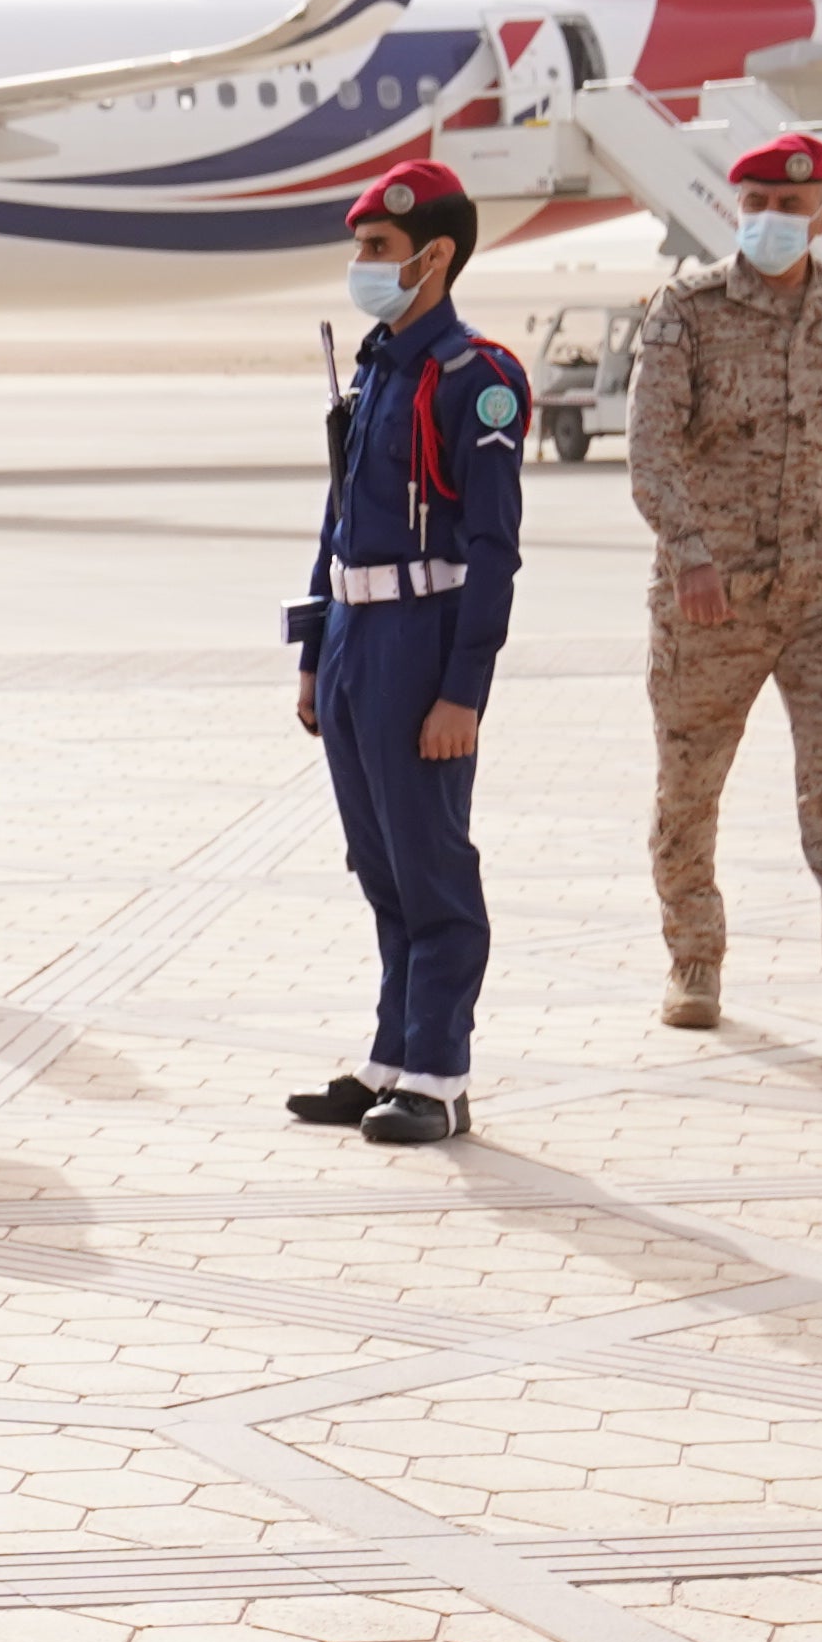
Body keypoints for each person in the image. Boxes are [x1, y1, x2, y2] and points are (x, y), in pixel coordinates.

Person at [633, 134, 822, 1046]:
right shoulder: (683, 311)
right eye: (758, 201)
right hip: (710, 599)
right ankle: (694, 955)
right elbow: (649, 452)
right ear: (737, 209)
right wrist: (688, 553)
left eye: (791, 206)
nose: (773, 218)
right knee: (690, 784)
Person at [283, 159, 525, 1146]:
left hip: (422, 643)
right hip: (353, 640)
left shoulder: (478, 379)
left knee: (433, 866)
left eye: (378, 250)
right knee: (378, 862)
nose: (362, 266)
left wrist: (462, 691)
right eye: (361, 250)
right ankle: (391, 1057)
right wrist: (312, 647)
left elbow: (496, 552)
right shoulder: (379, 364)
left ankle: (439, 1074)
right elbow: (338, 515)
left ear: (436, 255)